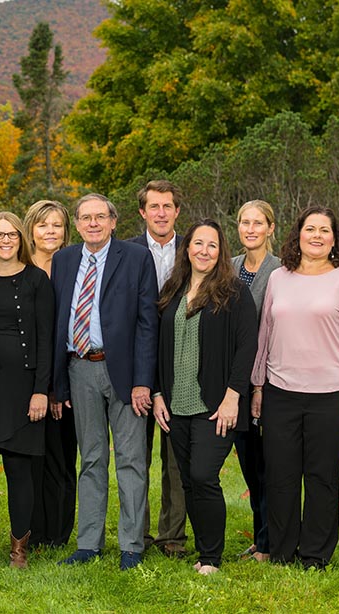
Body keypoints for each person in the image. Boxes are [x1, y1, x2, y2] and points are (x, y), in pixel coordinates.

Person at [250, 205, 339, 570]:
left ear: (335, 239)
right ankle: (283, 550)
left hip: (330, 396)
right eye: (310, 229)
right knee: (281, 476)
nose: (317, 236)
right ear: (298, 235)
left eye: (325, 230)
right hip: (280, 394)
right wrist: (258, 385)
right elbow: (265, 335)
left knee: (321, 478)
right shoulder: (279, 279)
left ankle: (316, 554)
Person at [52, 194, 159, 571]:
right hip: (79, 368)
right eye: (85, 218)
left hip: (126, 373)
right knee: (91, 458)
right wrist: (57, 384)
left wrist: (144, 381)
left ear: (114, 221)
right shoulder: (63, 261)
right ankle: (89, 543)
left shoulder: (135, 258)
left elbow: (148, 323)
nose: (93, 223)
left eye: (100, 217)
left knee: (131, 460)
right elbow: (56, 323)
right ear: (77, 224)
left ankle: (131, 545)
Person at [151, 219, 258, 575]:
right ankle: (203, 549)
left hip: (215, 404)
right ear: (187, 248)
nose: (204, 251)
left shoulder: (234, 293)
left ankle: (212, 556)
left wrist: (233, 397)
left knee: (202, 475)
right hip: (175, 403)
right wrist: (157, 393)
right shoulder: (173, 289)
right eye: (198, 243)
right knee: (186, 479)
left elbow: (247, 348)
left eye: (212, 245)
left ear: (220, 251)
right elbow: (157, 346)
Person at [0, 211, 55, 568]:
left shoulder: (37, 280)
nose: (5, 241)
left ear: (21, 239)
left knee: (21, 471)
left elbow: (46, 339)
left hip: (24, 388)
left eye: (11, 235)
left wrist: (41, 390)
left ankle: (18, 549)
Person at [127, 180, 187, 559]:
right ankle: (137, 534)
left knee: (176, 458)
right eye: (154, 206)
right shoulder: (126, 252)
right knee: (135, 455)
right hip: (136, 366)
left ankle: (172, 536)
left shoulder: (194, 249)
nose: (161, 213)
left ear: (177, 211)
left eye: (168, 206)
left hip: (181, 365)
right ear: (142, 213)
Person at [22, 200, 77, 549]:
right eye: (43, 225)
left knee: (61, 456)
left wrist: (56, 386)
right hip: (26, 377)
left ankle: (58, 533)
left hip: (65, 375)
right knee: (31, 458)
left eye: (57, 225)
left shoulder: (73, 266)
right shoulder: (21, 267)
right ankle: (34, 530)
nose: (50, 232)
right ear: (31, 230)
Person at [229, 199, 280, 562]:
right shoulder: (229, 267)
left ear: (270, 228)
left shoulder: (281, 271)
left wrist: (260, 383)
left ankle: (268, 542)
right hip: (235, 379)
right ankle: (261, 534)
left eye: (257, 223)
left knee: (269, 466)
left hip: (268, 379)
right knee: (249, 464)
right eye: (244, 223)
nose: (250, 229)